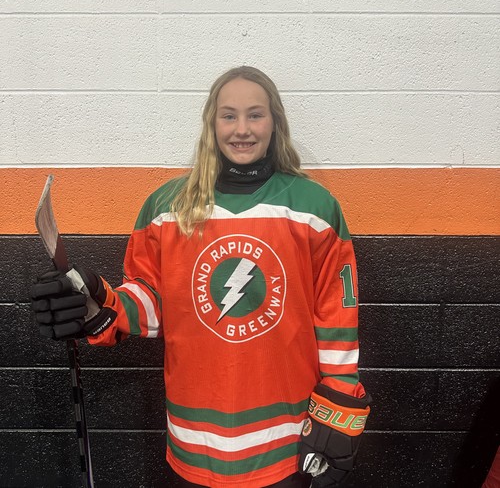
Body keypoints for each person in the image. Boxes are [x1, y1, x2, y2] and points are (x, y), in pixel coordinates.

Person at [31, 66, 371, 488]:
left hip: (285, 442)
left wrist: (340, 397)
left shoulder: (314, 207)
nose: (242, 129)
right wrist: (99, 300)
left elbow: (336, 317)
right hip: (195, 441)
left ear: (275, 122)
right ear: (212, 123)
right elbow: (154, 302)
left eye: (255, 114)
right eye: (229, 116)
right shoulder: (165, 207)